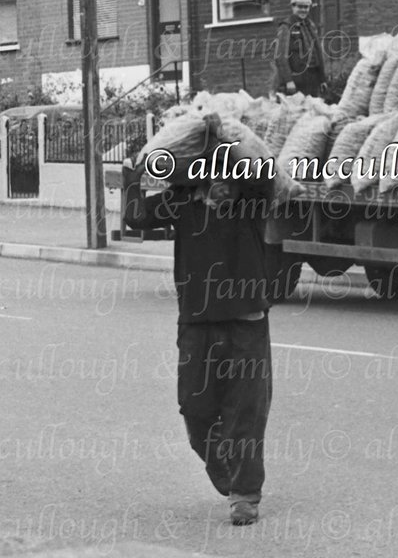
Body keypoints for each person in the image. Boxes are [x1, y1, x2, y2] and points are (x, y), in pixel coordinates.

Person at [122, 162, 291, 526]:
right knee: (195, 409)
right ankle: (227, 472)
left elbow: (267, 177)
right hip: (197, 324)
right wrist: (132, 179)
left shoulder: (251, 199)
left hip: (246, 323)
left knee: (246, 413)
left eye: (226, 178)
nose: (220, 186)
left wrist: (227, 140)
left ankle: (245, 494)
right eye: (212, 179)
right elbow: (136, 217)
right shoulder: (181, 201)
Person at [271, 0, 327, 97]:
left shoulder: (310, 25)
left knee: (312, 110)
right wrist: (288, 80)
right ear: (293, 7)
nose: (303, 10)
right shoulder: (286, 27)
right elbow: (280, 57)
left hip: (313, 78)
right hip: (296, 79)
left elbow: (318, 53)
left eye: (306, 7)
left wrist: (322, 79)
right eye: (300, 7)